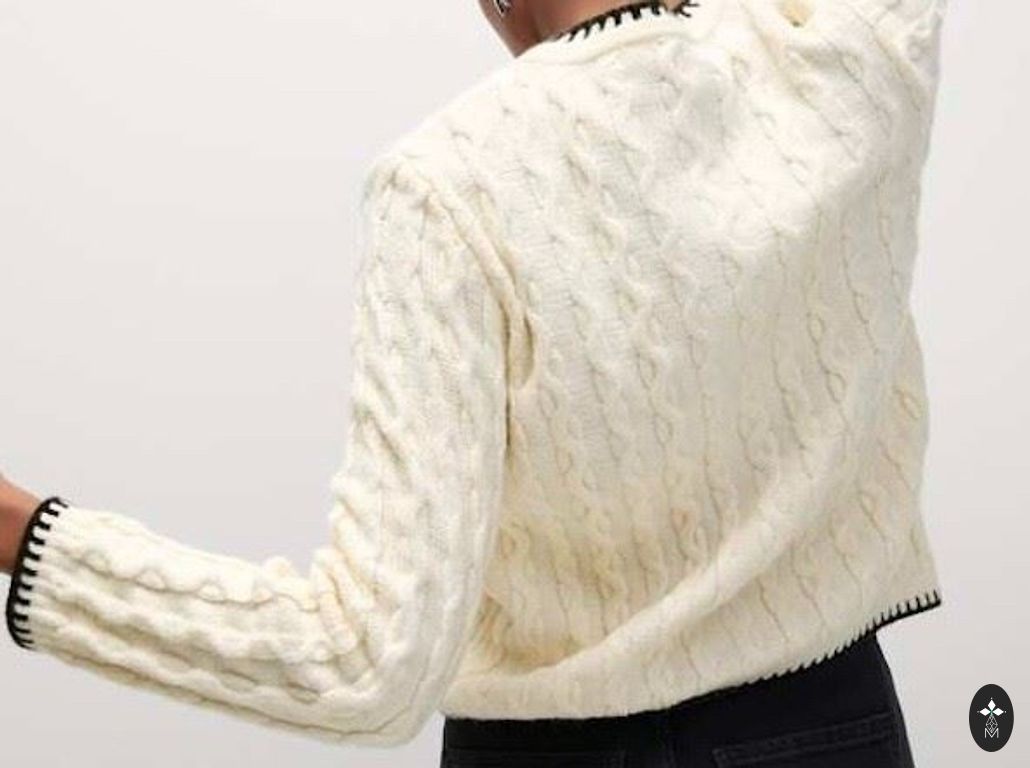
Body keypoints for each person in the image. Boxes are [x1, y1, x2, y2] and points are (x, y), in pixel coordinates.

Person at [1, 0, 948, 765]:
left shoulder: (450, 187)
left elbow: (363, 663)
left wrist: (26, 535)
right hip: (837, 731)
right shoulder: (847, 68)